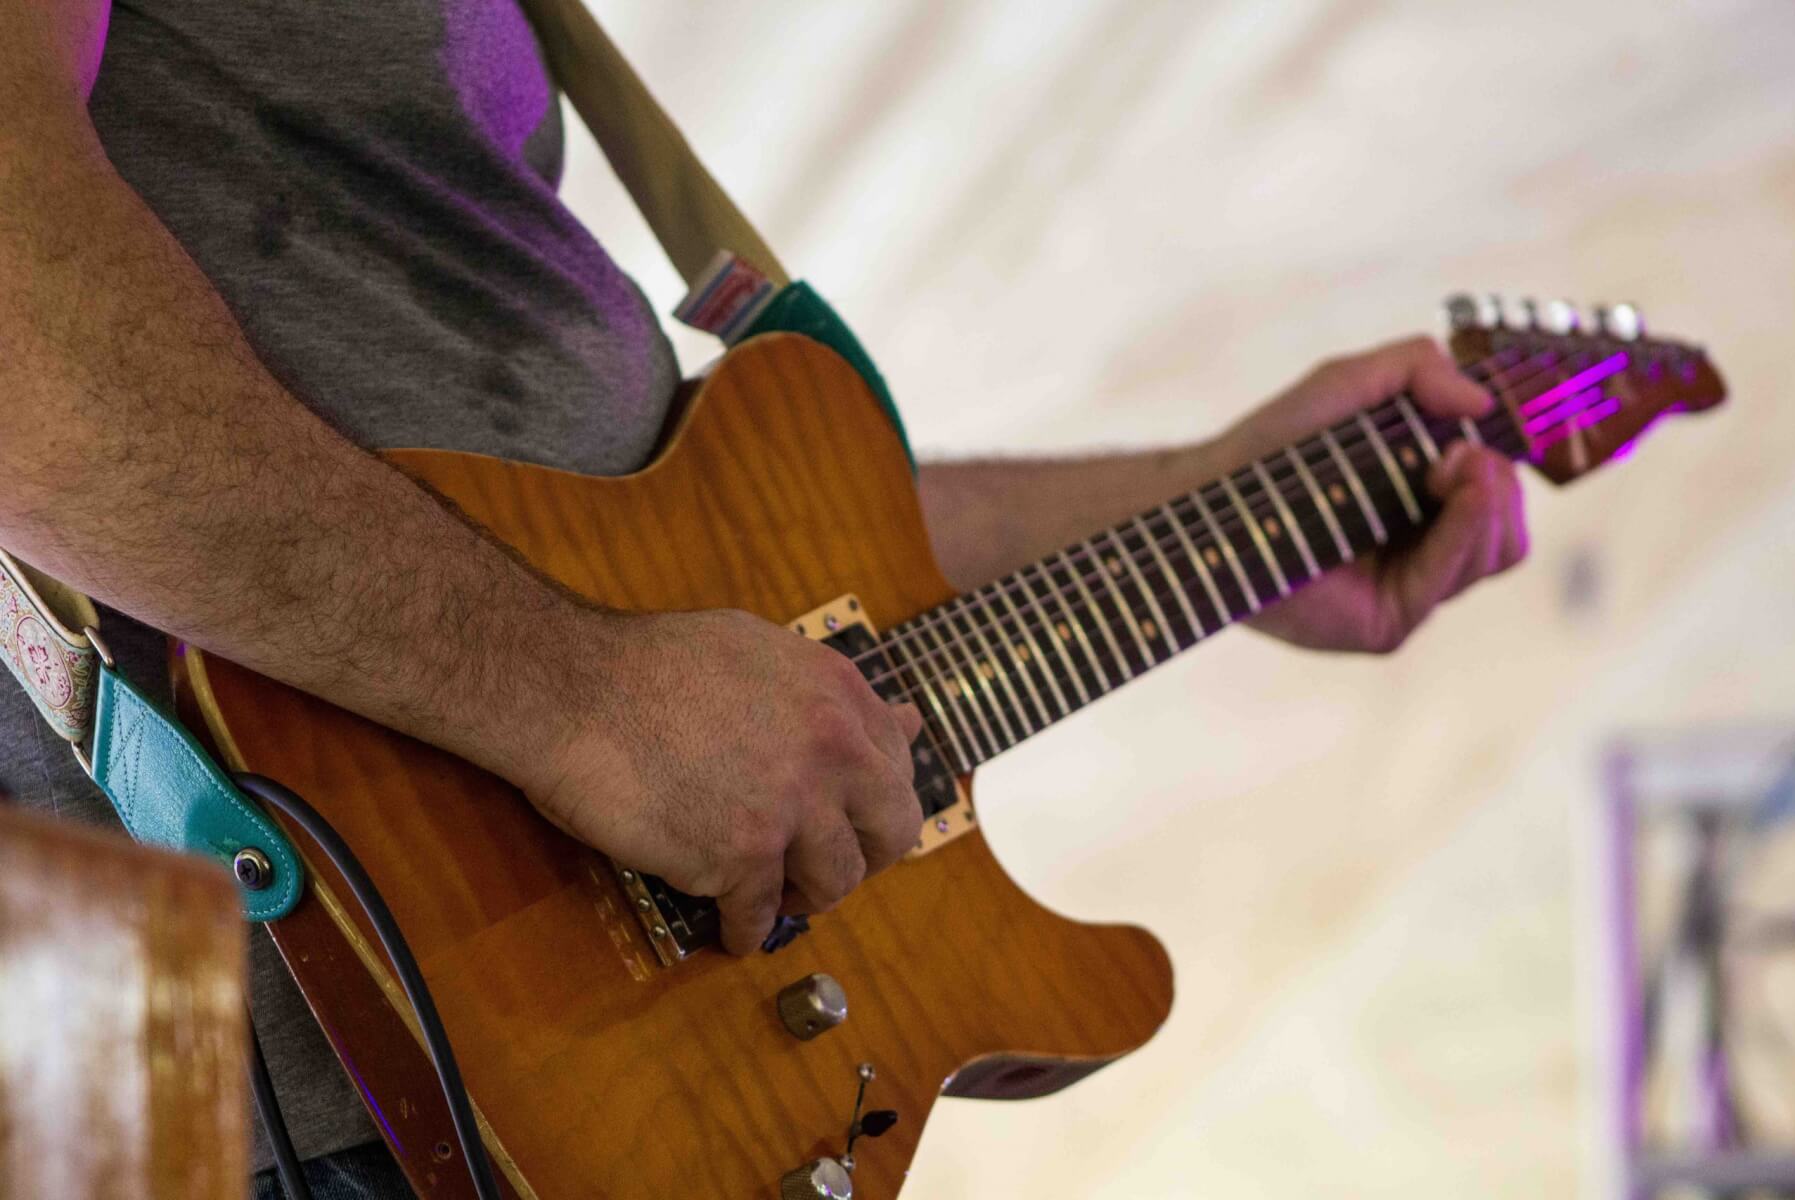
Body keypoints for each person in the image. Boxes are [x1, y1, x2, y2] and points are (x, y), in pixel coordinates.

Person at [0, 2, 1528, 1196]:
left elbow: (742, 579)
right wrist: (582, 702)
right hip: (278, 1086)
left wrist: (1219, 498)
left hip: (579, 1091)